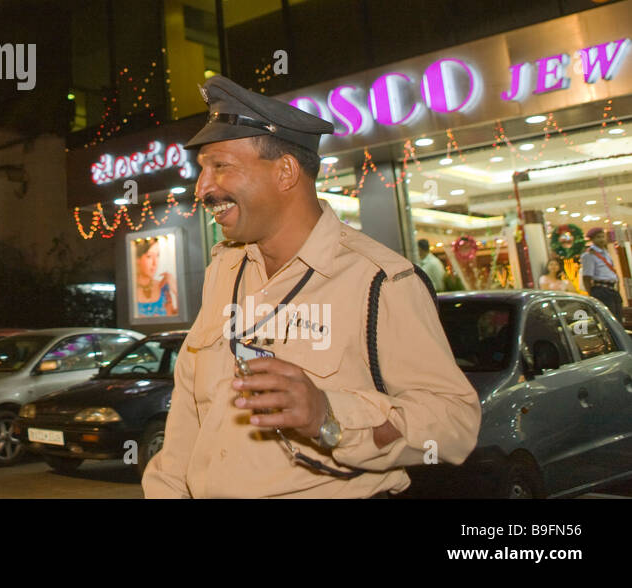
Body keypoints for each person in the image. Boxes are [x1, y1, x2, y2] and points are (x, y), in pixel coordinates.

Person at [142, 76, 480, 498]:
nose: (203, 188)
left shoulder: (379, 280)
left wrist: (329, 415)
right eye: (202, 170)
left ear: (285, 172)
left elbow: (454, 427)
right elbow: (189, 418)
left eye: (220, 166)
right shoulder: (223, 272)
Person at [580, 227, 624, 321]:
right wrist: (592, 295)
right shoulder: (589, 255)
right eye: (598, 237)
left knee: (618, 319)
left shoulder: (606, 253)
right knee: (609, 320)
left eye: (602, 236)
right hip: (601, 290)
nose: (601, 239)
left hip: (612, 289)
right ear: (592, 239)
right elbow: (586, 277)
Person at [135, 238, 177, 317]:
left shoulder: (163, 287)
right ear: (138, 259)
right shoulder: (130, 290)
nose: (155, 263)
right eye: (149, 256)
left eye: (157, 256)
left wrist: (175, 289)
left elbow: (175, 317)